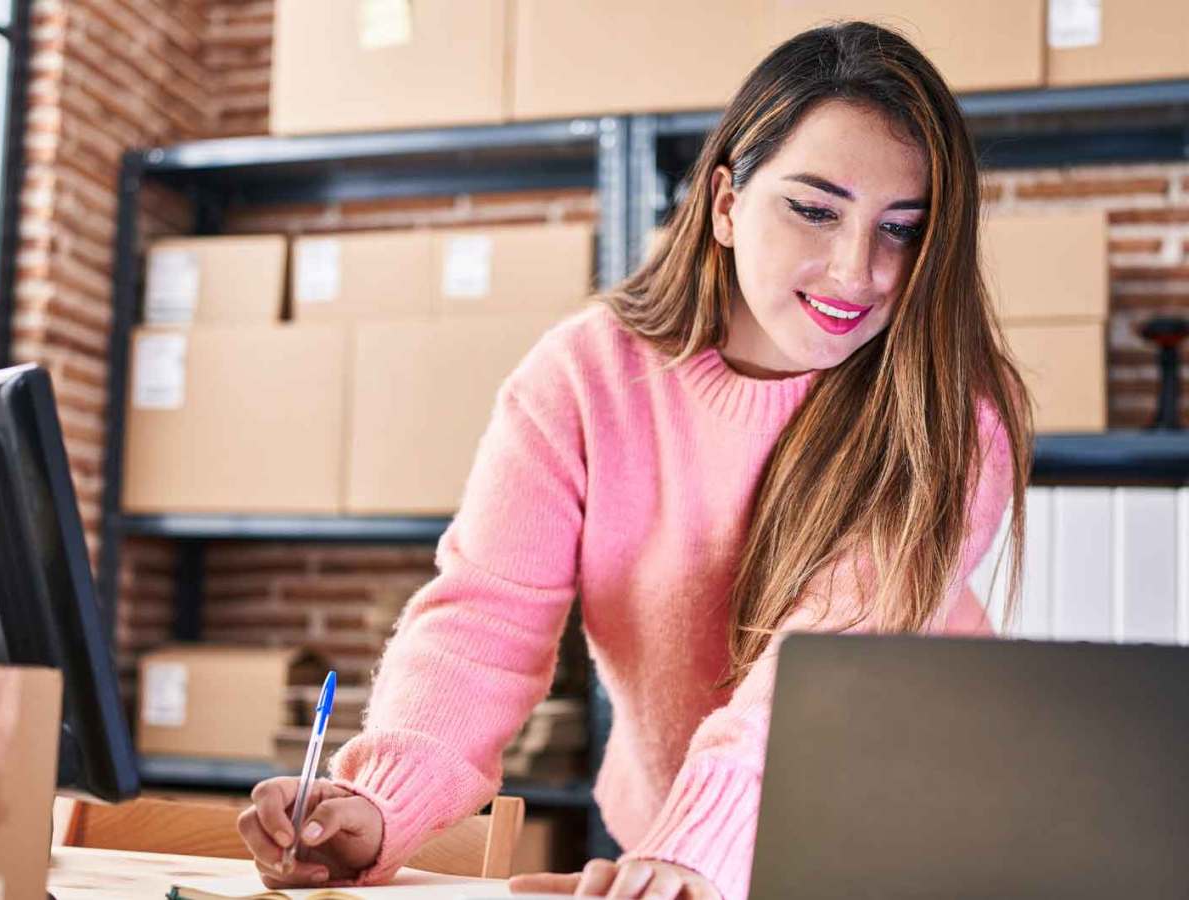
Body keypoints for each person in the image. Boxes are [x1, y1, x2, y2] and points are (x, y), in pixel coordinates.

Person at [237, 20, 1032, 900]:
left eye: (902, 229)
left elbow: (821, 670)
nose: (859, 271)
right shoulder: (584, 375)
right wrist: (376, 805)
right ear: (726, 204)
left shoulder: (953, 417)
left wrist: (698, 847)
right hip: (677, 839)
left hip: (909, 854)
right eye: (814, 210)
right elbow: (484, 620)